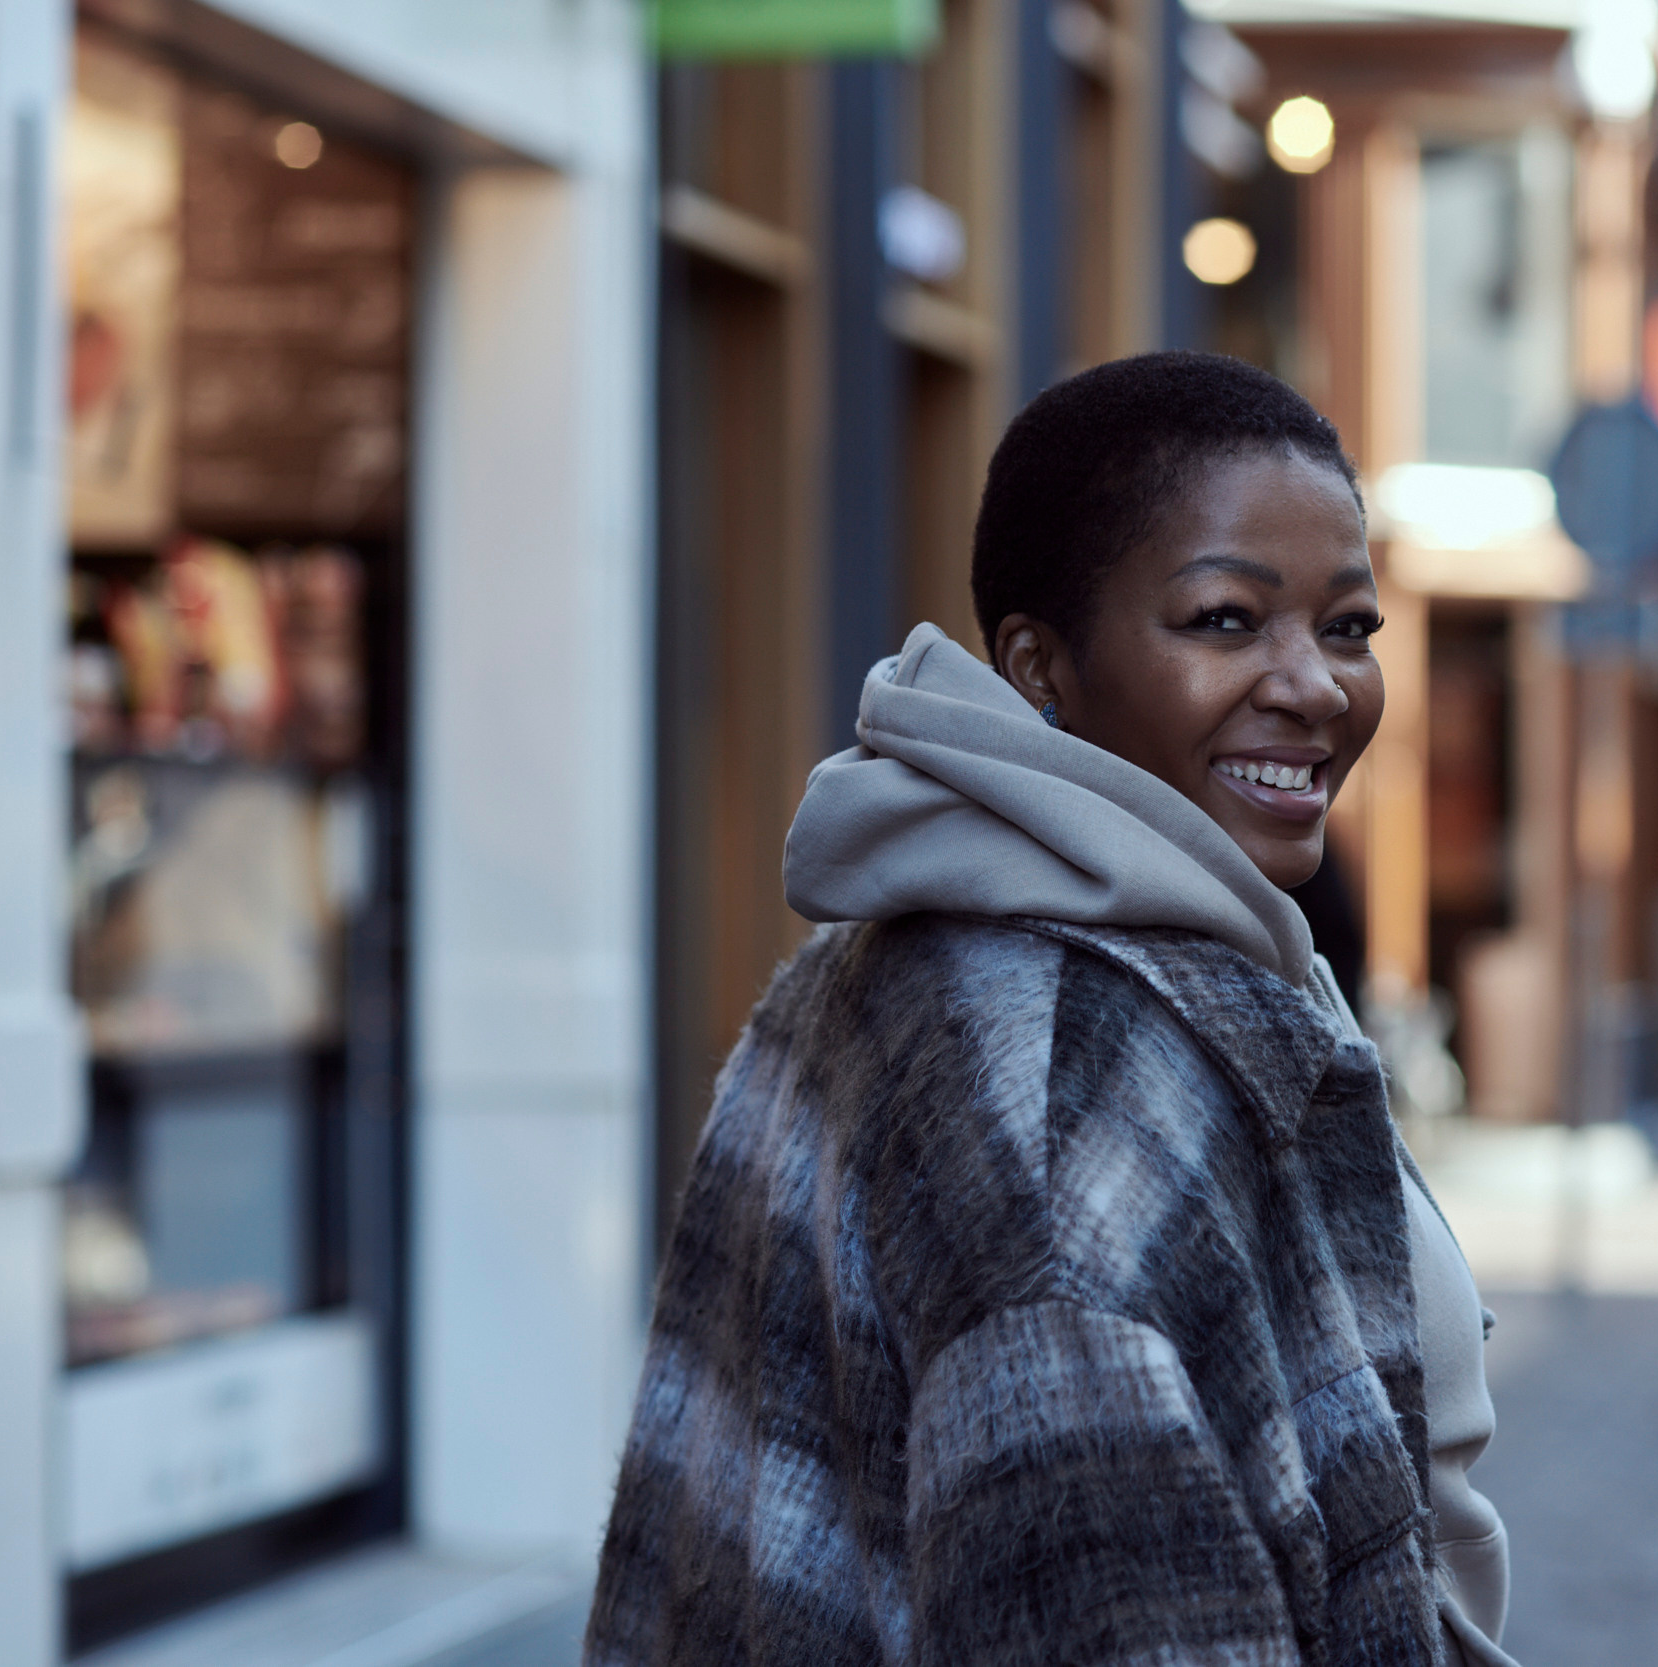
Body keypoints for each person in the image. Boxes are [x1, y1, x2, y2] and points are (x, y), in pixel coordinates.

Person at [586, 352, 1519, 1667]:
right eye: (1225, 619)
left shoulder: (1070, 965)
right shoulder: (1061, 1062)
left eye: (1349, 625)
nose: (1315, 683)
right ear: (1040, 662)